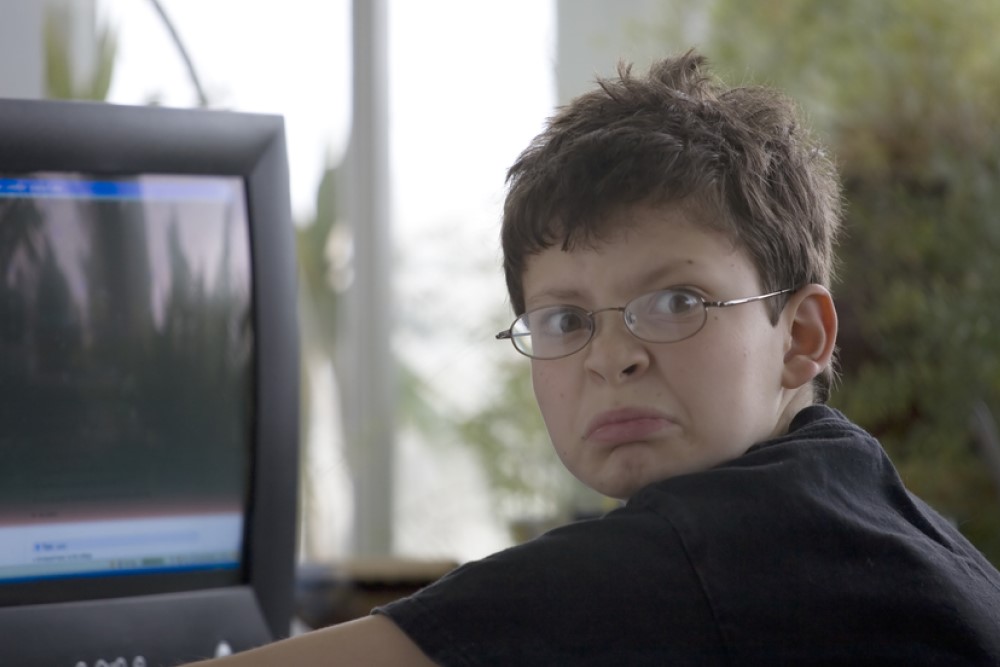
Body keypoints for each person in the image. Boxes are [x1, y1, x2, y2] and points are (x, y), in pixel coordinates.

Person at [189, 50, 1000, 665]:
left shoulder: (716, 549)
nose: (612, 357)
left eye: (677, 302)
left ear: (800, 338)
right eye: (565, 318)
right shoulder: (853, 496)